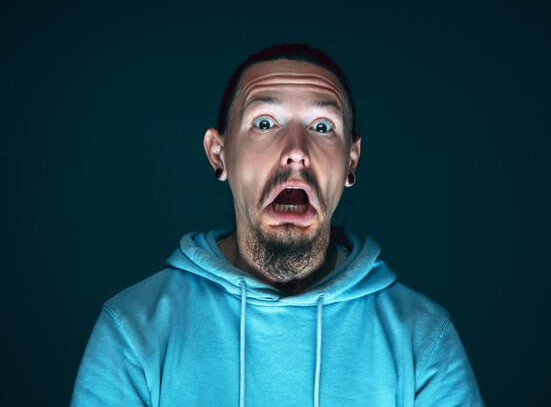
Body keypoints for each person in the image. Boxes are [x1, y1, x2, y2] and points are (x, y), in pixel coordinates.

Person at [70, 44, 484, 407]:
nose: (296, 152)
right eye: (265, 123)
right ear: (219, 155)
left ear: (351, 162)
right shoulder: (134, 327)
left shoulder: (424, 339)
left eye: (322, 127)